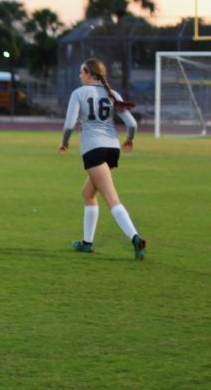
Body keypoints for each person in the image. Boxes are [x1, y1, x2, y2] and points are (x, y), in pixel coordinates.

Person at [59, 58, 147, 260]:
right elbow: (132, 124)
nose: (80, 75)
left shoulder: (79, 93)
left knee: (112, 199)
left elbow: (69, 125)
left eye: (82, 72)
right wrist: (129, 140)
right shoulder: (112, 94)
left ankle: (135, 238)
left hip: (93, 149)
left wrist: (64, 142)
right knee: (88, 193)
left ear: (90, 73)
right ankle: (87, 243)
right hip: (112, 149)